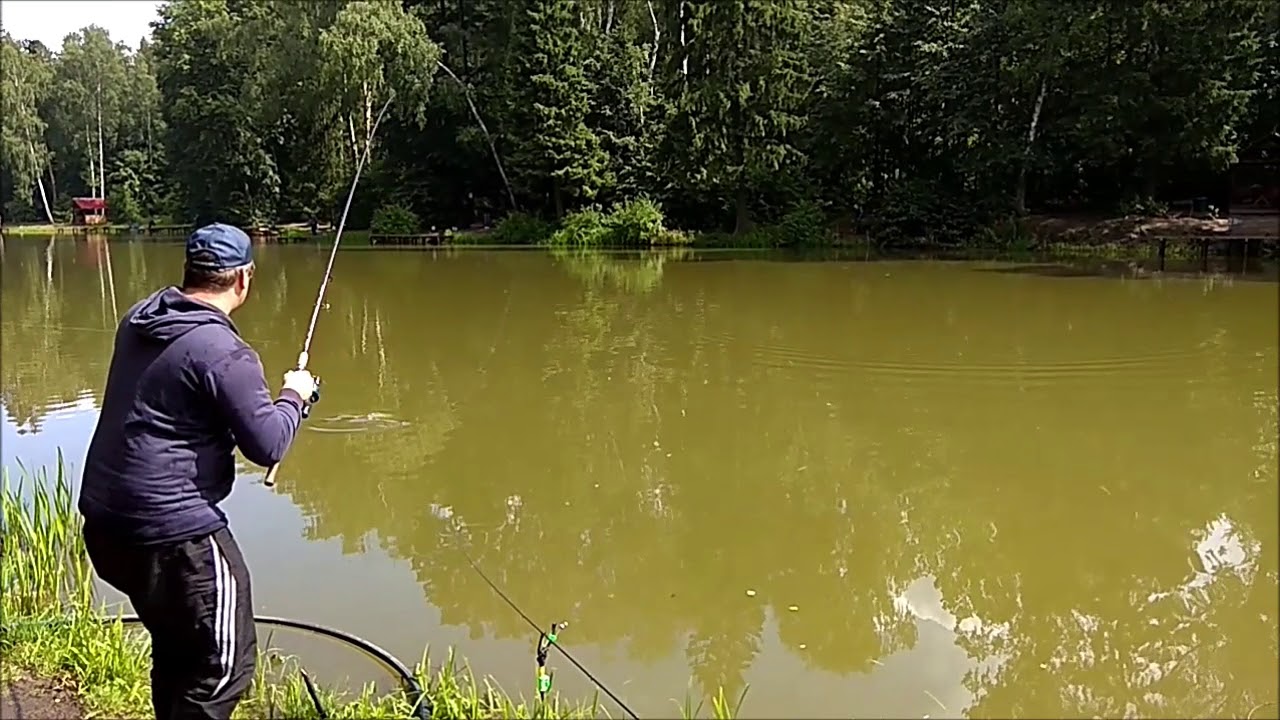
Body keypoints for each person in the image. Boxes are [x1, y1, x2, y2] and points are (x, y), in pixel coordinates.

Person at [77, 223, 318, 720]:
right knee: (224, 666)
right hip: (172, 535)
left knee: (178, 649)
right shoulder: (222, 351)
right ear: (244, 280)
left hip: (107, 527)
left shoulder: (140, 321)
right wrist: (295, 394)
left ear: (190, 272)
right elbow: (269, 443)